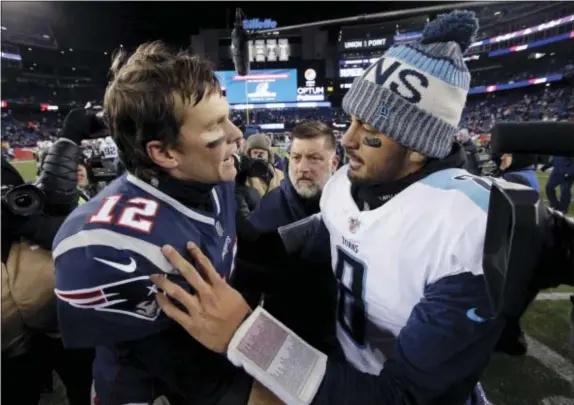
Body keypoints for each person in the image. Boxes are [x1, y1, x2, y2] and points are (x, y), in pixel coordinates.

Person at [152, 11, 501, 405]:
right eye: (351, 120)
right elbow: (304, 241)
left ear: (418, 145)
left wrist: (247, 334)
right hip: (347, 368)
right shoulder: (351, 185)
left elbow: (401, 398)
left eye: (369, 130)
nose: (348, 139)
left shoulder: (465, 228)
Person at [52, 42, 262, 405]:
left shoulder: (211, 180)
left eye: (227, 117)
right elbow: (199, 379)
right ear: (164, 153)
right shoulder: (112, 242)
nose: (236, 134)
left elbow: (254, 250)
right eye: (215, 126)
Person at [236, 121, 341, 354]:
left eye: (314, 158)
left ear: (333, 163)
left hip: (343, 340)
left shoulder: (353, 206)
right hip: (287, 339)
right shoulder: (270, 208)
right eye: (296, 158)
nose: (303, 167)